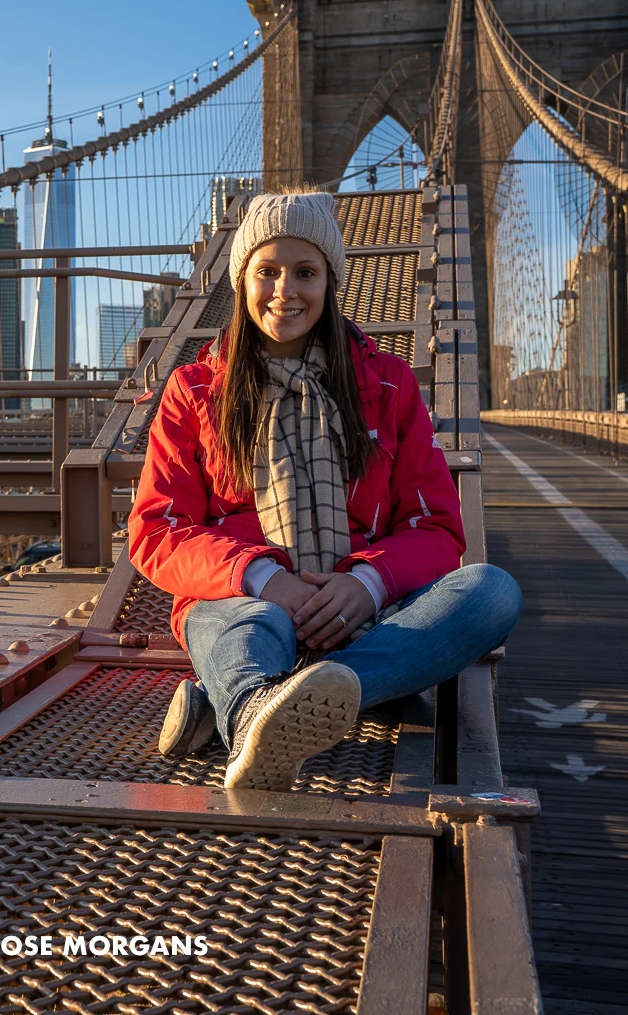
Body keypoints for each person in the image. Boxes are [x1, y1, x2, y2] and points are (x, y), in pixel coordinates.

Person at [127, 190, 520, 791]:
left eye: (305, 272)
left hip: (369, 613)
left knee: (492, 592)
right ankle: (277, 706)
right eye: (267, 272)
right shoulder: (194, 391)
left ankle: (242, 702)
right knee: (247, 625)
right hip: (246, 603)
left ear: (329, 281)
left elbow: (438, 528)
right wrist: (263, 579)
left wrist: (366, 584)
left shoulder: (388, 385)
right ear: (242, 283)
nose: (285, 289)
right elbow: (158, 530)